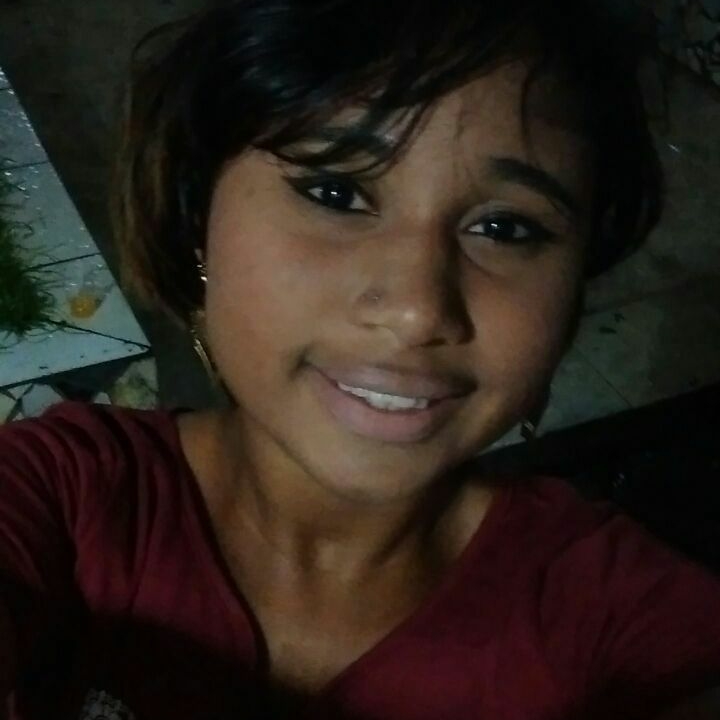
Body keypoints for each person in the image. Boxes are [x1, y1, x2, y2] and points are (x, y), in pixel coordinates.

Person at [1, 0, 719, 718]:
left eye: (504, 228)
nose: (417, 309)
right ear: (199, 222)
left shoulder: (615, 615)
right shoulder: (66, 497)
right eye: (336, 193)